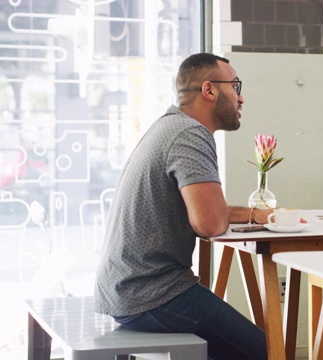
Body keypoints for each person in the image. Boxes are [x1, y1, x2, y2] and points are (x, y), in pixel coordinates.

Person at [94, 53, 269, 360]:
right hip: (150, 294)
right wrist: (259, 215)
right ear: (209, 90)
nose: (241, 98)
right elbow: (210, 224)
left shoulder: (169, 126)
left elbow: (203, 210)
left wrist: (258, 214)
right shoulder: (190, 134)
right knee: (267, 351)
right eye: (236, 86)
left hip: (126, 290)